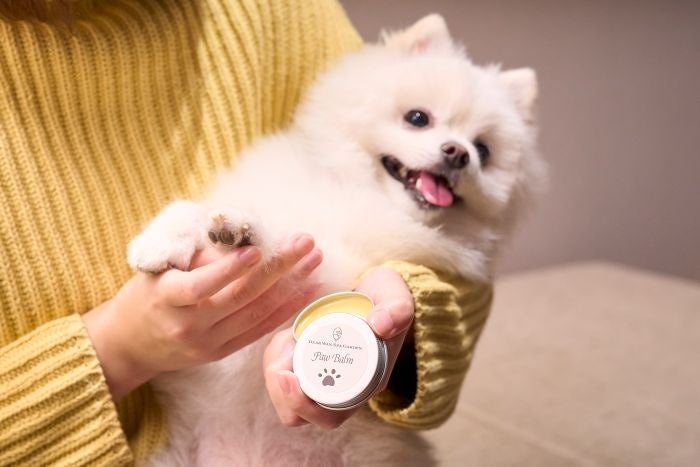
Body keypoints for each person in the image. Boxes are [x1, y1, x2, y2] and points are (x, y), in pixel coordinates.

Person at [0, 0, 493, 464]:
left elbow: (470, 267)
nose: (455, 151)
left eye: (482, 149)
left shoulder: (277, 13)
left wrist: (404, 319)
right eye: (418, 120)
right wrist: (120, 347)